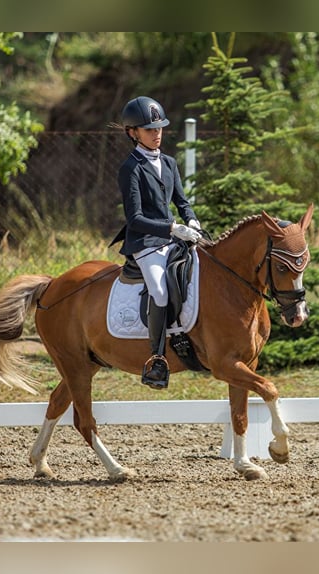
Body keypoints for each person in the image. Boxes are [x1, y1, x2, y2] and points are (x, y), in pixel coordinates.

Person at [116, 96, 202, 390]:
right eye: (149, 129)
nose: (157, 133)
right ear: (133, 133)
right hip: (145, 243)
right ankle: (157, 360)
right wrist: (173, 228)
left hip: (173, 237)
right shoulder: (131, 168)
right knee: (160, 291)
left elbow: (182, 200)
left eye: (160, 128)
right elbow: (135, 218)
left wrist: (191, 220)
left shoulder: (168, 162)